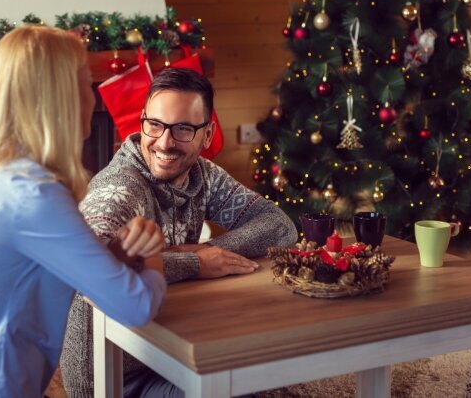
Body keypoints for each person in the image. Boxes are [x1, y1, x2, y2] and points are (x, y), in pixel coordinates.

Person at [0, 26, 167, 398]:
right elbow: (136, 307)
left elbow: (39, 276)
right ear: (60, 99)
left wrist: (113, 257)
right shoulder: (32, 196)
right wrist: (154, 255)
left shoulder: (5, 175)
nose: (94, 98)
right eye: (87, 84)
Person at [60, 68, 298, 397]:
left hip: (171, 353)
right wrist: (195, 263)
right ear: (142, 120)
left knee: (263, 382)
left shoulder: (203, 175)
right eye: (154, 125)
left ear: (208, 133)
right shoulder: (121, 184)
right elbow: (85, 266)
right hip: (111, 377)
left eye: (183, 129)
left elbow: (279, 225)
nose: (165, 142)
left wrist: (207, 250)